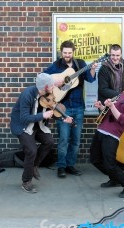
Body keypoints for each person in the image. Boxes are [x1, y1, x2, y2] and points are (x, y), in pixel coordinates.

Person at [10, 73, 73, 193]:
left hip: (37, 125)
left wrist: (62, 118)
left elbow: (52, 110)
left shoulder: (48, 94)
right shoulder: (27, 94)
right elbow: (24, 118)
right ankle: (26, 181)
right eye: (51, 85)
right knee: (31, 150)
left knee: (49, 142)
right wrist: (42, 115)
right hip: (22, 126)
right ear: (45, 87)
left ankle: (34, 166)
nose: (53, 87)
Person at [44, 40, 98, 178]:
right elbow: (43, 78)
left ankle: (70, 165)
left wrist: (92, 68)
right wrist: (54, 82)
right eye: (65, 53)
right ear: (61, 52)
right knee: (63, 139)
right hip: (63, 108)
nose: (67, 55)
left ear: (73, 52)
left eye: (69, 53)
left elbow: (91, 79)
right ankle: (61, 166)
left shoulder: (80, 64)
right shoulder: (56, 66)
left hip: (79, 106)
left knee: (75, 140)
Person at [90, 73, 124, 198]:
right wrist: (102, 107)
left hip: (112, 135)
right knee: (95, 159)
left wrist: (112, 105)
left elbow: (122, 119)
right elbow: (110, 112)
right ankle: (115, 179)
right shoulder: (122, 95)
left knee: (110, 164)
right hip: (101, 130)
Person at [98, 44, 124, 172]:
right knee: (110, 137)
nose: (115, 58)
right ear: (110, 55)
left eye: (117, 55)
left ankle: (122, 161)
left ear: (121, 55)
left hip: (121, 104)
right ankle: (111, 165)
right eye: (113, 55)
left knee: (121, 135)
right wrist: (121, 96)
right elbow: (103, 90)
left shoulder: (123, 65)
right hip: (108, 104)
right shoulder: (104, 68)